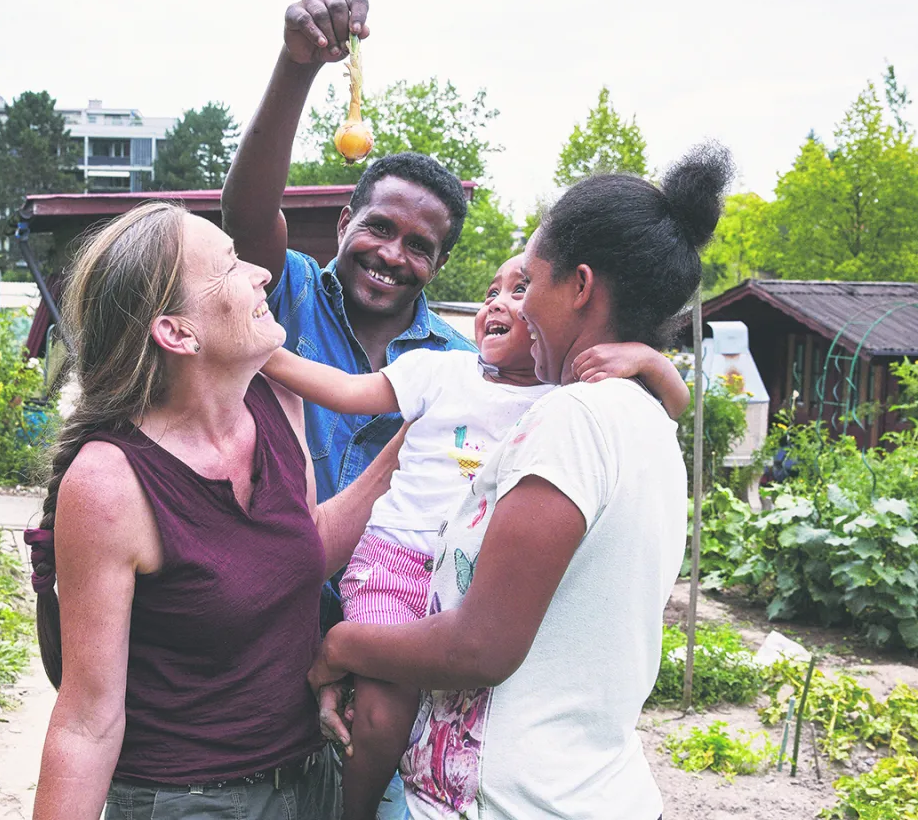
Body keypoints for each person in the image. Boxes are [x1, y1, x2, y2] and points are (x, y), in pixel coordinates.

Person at [307, 144, 736, 820]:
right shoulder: (648, 420)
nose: (512, 304)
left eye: (527, 282)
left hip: (513, 803)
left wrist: (339, 646)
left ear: (581, 287)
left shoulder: (567, 419)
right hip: (597, 791)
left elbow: (478, 646)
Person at [262, 253, 690, 820]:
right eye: (493, 290)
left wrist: (651, 363)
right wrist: (261, 351)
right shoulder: (440, 371)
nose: (499, 301)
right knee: (383, 717)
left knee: (429, 693)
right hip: (394, 562)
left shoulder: (562, 399)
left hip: (466, 578)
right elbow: (343, 390)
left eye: (522, 289)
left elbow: (672, 408)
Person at [28, 202, 403, 820]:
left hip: (309, 782)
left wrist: (409, 444)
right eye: (229, 265)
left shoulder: (276, 399)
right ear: (177, 332)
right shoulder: (110, 482)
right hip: (186, 800)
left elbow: (299, 549)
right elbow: (87, 723)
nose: (259, 274)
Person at [222, 0, 475, 514]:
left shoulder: (461, 365)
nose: (390, 254)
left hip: (398, 594)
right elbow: (246, 217)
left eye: (419, 246)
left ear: (441, 264)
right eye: (378, 227)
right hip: (273, 589)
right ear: (344, 224)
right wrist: (297, 68)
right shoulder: (284, 293)